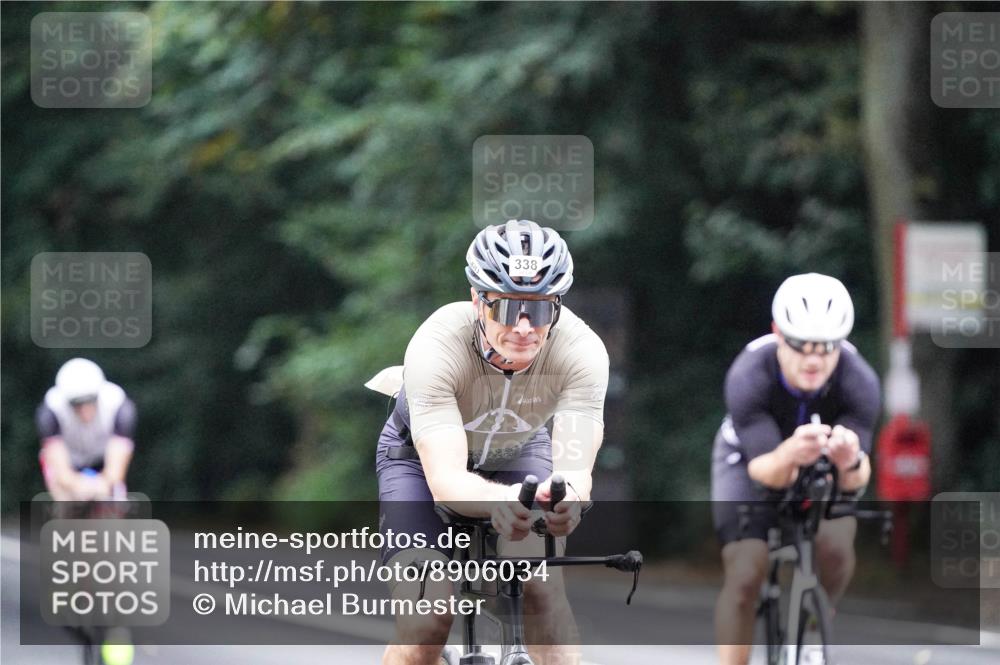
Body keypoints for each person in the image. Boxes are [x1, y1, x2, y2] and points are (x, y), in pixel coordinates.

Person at [371, 220, 609, 665]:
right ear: (477, 302)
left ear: (557, 307)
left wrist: (565, 502)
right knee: (427, 621)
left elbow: (577, 472)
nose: (522, 327)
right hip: (418, 464)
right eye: (505, 307)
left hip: (518, 449)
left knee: (542, 593)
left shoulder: (583, 352)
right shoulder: (436, 345)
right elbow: (446, 482)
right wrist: (504, 502)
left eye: (538, 310)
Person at [710, 273, 880, 665]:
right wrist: (789, 454)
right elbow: (766, 472)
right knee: (745, 572)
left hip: (820, 463)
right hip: (752, 462)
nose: (813, 360)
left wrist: (849, 460)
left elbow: (856, 480)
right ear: (777, 333)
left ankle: (818, 622)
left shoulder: (860, 382)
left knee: (837, 545)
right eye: (801, 346)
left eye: (825, 348)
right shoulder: (749, 374)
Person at [36, 358, 137, 501]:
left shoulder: (119, 406)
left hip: (103, 458)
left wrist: (102, 485)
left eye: (90, 401)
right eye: (77, 404)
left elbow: (115, 470)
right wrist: (77, 486)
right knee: (65, 501)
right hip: (69, 460)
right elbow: (60, 469)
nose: (84, 410)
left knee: (113, 503)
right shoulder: (51, 410)